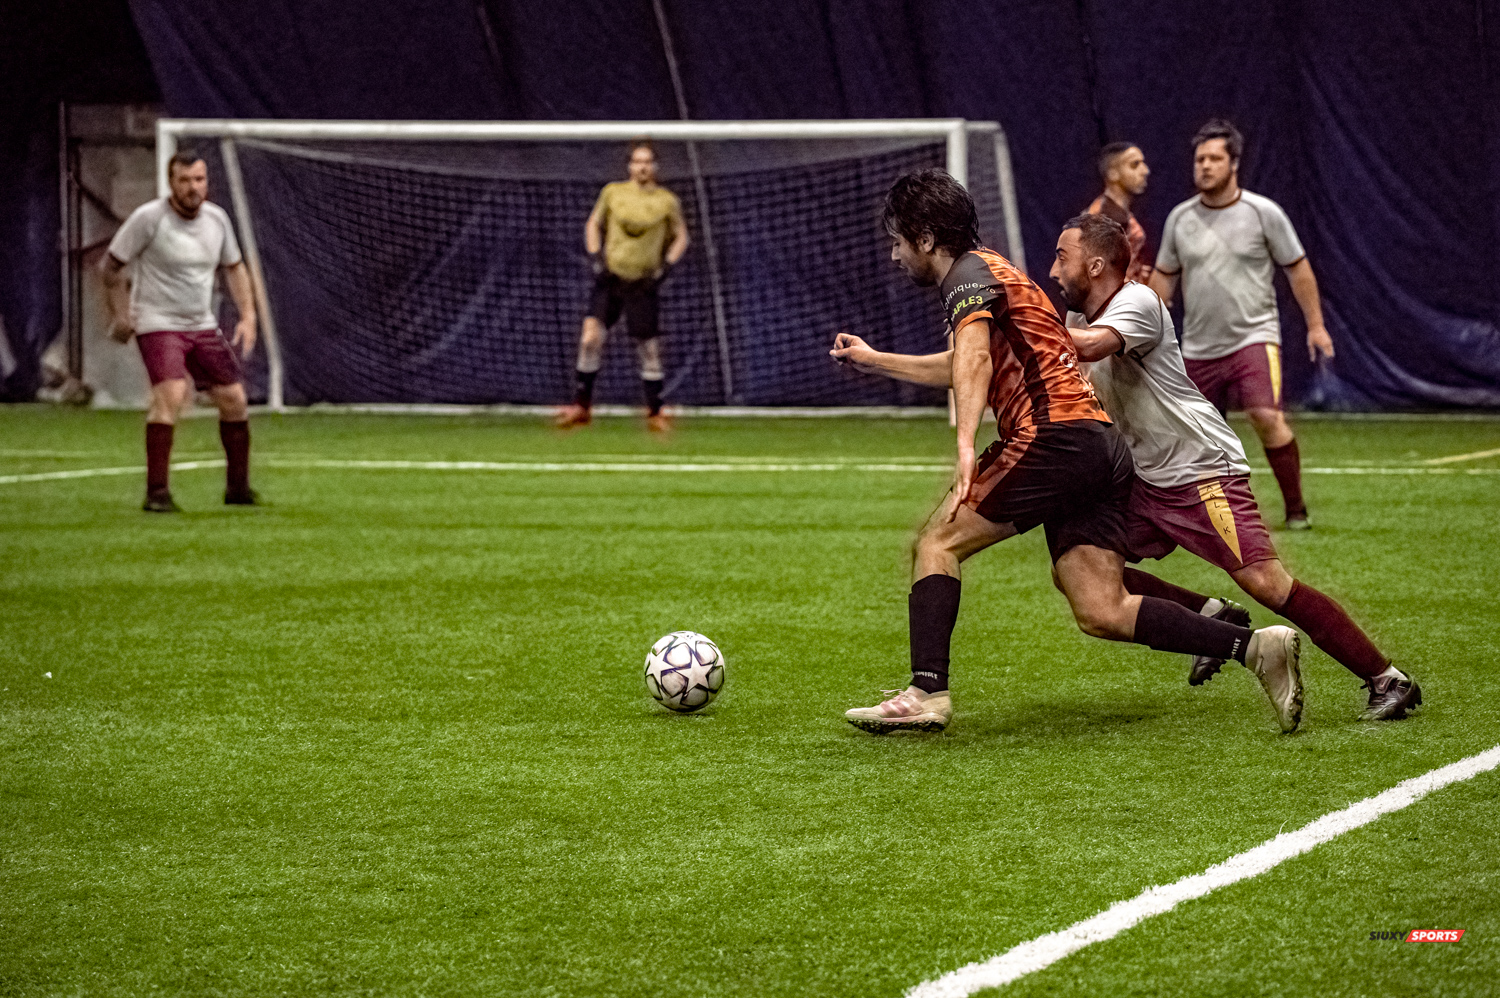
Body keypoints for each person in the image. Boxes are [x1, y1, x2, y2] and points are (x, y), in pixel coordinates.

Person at [829, 169, 1303, 736]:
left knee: (936, 542)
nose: (893, 254)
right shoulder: (992, 273)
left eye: (899, 241)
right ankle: (1255, 648)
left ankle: (926, 691)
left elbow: (973, 360)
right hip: (1096, 447)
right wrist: (876, 359)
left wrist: (962, 446)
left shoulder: (965, 277)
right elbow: (964, 362)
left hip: (1052, 438)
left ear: (927, 238)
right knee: (1100, 608)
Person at [1052, 212, 1419, 721]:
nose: (1052, 271)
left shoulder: (1135, 300)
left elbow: (1091, 347)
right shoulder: (1073, 320)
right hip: (1145, 477)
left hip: (1201, 473)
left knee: (1268, 584)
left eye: (1060, 257)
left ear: (1094, 265)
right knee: (1081, 575)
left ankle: (1387, 679)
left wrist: (1019, 323)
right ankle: (1212, 616)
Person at [1148, 119, 1332, 530]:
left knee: (1265, 415)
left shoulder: (1263, 213)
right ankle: (1216, 518)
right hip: (1197, 347)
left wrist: (1315, 325)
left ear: (1234, 164)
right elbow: (1163, 278)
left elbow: (1298, 270)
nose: (1205, 167)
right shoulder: (1180, 219)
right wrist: (1140, 331)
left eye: (1215, 158)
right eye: (1200, 159)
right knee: (1199, 438)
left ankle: (1296, 508)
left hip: (1254, 337)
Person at [102, 149, 259, 513]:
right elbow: (108, 268)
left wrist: (248, 315)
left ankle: (238, 489)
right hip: (158, 322)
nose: (193, 187)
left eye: (199, 179)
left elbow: (234, 268)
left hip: (200, 323)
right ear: (170, 182)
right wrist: (121, 314)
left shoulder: (217, 220)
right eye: (184, 180)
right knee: (171, 393)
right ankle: (157, 492)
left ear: (207, 182)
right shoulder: (148, 219)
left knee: (234, 399)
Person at [556, 140, 689, 434]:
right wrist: (595, 257)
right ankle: (581, 406)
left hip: (642, 283)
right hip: (611, 279)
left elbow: (682, 236)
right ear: (629, 166)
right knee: (590, 339)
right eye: (637, 161)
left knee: (648, 347)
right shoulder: (613, 192)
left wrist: (666, 267)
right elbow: (593, 224)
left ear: (655, 167)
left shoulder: (666, 201)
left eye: (647, 162)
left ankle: (655, 412)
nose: (642, 167)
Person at [1086, 141, 1152, 283]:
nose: (1145, 171)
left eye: (1142, 163)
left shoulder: (1117, 213)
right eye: (1134, 165)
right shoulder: (1106, 217)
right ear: (1112, 173)